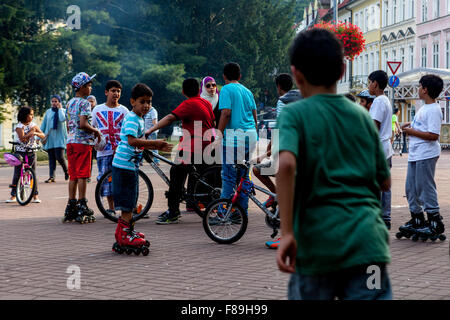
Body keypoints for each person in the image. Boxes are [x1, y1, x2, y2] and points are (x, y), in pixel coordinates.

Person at [275, 28, 392, 300]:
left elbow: (286, 165)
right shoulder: (362, 117)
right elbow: (384, 181)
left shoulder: (293, 115)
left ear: (296, 75)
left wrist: (288, 232)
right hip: (369, 250)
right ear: (342, 71)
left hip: (317, 249)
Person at [111, 83, 172, 253]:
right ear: (132, 102)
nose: (146, 105)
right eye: (142, 101)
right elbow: (131, 141)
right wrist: (154, 144)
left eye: (149, 102)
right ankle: (125, 235)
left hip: (129, 166)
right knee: (127, 203)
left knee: (130, 201)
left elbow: (137, 142)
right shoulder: (132, 118)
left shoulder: (138, 118)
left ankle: (125, 232)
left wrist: (147, 149)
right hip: (124, 167)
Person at [146, 78, 216, 224]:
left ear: (183, 92)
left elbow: (171, 117)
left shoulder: (189, 103)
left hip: (192, 147)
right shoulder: (206, 103)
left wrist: (150, 130)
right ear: (199, 90)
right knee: (201, 176)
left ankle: (173, 212)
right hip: (207, 145)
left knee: (176, 175)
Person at [252, 73, 302, 249]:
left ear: (279, 87)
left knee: (258, 170)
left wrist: (266, 154)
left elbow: (279, 132)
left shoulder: (285, 105)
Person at [398, 75, 445, 241]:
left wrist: (411, 132)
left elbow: (433, 135)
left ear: (425, 90)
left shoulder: (434, 109)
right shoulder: (424, 107)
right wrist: (409, 126)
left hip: (426, 153)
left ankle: (434, 222)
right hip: (416, 153)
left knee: (425, 187)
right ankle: (417, 219)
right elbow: (422, 127)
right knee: (411, 188)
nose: (417, 89)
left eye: (419, 86)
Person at [217, 62, 258, 216]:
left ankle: (223, 213)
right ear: (240, 76)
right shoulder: (248, 91)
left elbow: (226, 113)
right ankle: (241, 213)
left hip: (234, 139)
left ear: (224, 76)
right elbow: (254, 115)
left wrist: (218, 134)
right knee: (244, 177)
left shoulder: (226, 89)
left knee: (228, 177)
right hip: (250, 136)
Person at [63, 72, 102, 223]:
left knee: (73, 174)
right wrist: (96, 131)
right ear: (81, 87)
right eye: (89, 85)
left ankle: (71, 204)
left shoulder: (69, 103)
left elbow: (69, 124)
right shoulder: (85, 103)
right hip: (82, 143)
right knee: (83, 175)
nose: (90, 88)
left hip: (70, 142)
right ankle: (82, 203)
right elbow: (83, 124)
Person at [92, 80, 129, 216]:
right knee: (107, 180)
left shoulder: (124, 110)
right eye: (113, 91)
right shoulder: (97, 109)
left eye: (118, 91)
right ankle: (111, 207)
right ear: (106, 92)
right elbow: (93, 127)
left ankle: (127, 206)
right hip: (104, 151)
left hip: (121, 150)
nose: (116, 93)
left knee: (123, 178)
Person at [368, 70, 394, 230]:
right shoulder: (385, 100)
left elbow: (374, 126)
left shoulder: (378, 102)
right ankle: (385, 216)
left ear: (375, 84)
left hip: (378, 148)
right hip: (386, 148)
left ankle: (379, 216)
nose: (369, 86)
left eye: (369, 82)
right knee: (384, 185)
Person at [6, 106, 45, 203]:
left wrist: (35, 133)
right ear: (24, 116)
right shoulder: (19, 126)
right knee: (17, 174)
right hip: (20, 152)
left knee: (33, 174)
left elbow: (43, 135)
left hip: (31, 151)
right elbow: (23, 139)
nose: (32, 116)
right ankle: (13, 196)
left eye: (32, 114)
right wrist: (31, 132)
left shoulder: (33, 125)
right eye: (30, 114)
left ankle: (35, 195)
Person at [40, 94, 69, 183]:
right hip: (50, 139)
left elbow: (62, 119)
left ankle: (67, 171)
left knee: (59, 157)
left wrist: (60, 109)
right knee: (51, 158)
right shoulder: (48, 112)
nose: (54, 103)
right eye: (52, 101)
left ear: (59, 102)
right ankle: (51, 176)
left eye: (56, 101)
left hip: (60, 138)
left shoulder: (63, 111)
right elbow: (43, 125)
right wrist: (39, 135)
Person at [143, 98, 160, 165]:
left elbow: (154, 121)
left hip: (152, 132)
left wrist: (154, 129)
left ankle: (156, 161)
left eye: (147, 104)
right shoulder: (148, 112)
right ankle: (141, 160)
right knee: (143, 146)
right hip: (147, 132)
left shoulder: (153, 111)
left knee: (154, 146)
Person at [87, 95, 98, 182]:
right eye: (89, 101)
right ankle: (88, 176)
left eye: (92, 101)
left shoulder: (97, 110)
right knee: (89, 159)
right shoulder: (85, 111)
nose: (90, 103)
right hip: (88, 138)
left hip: (97, 138)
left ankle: (102, 175)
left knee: (99, 157)